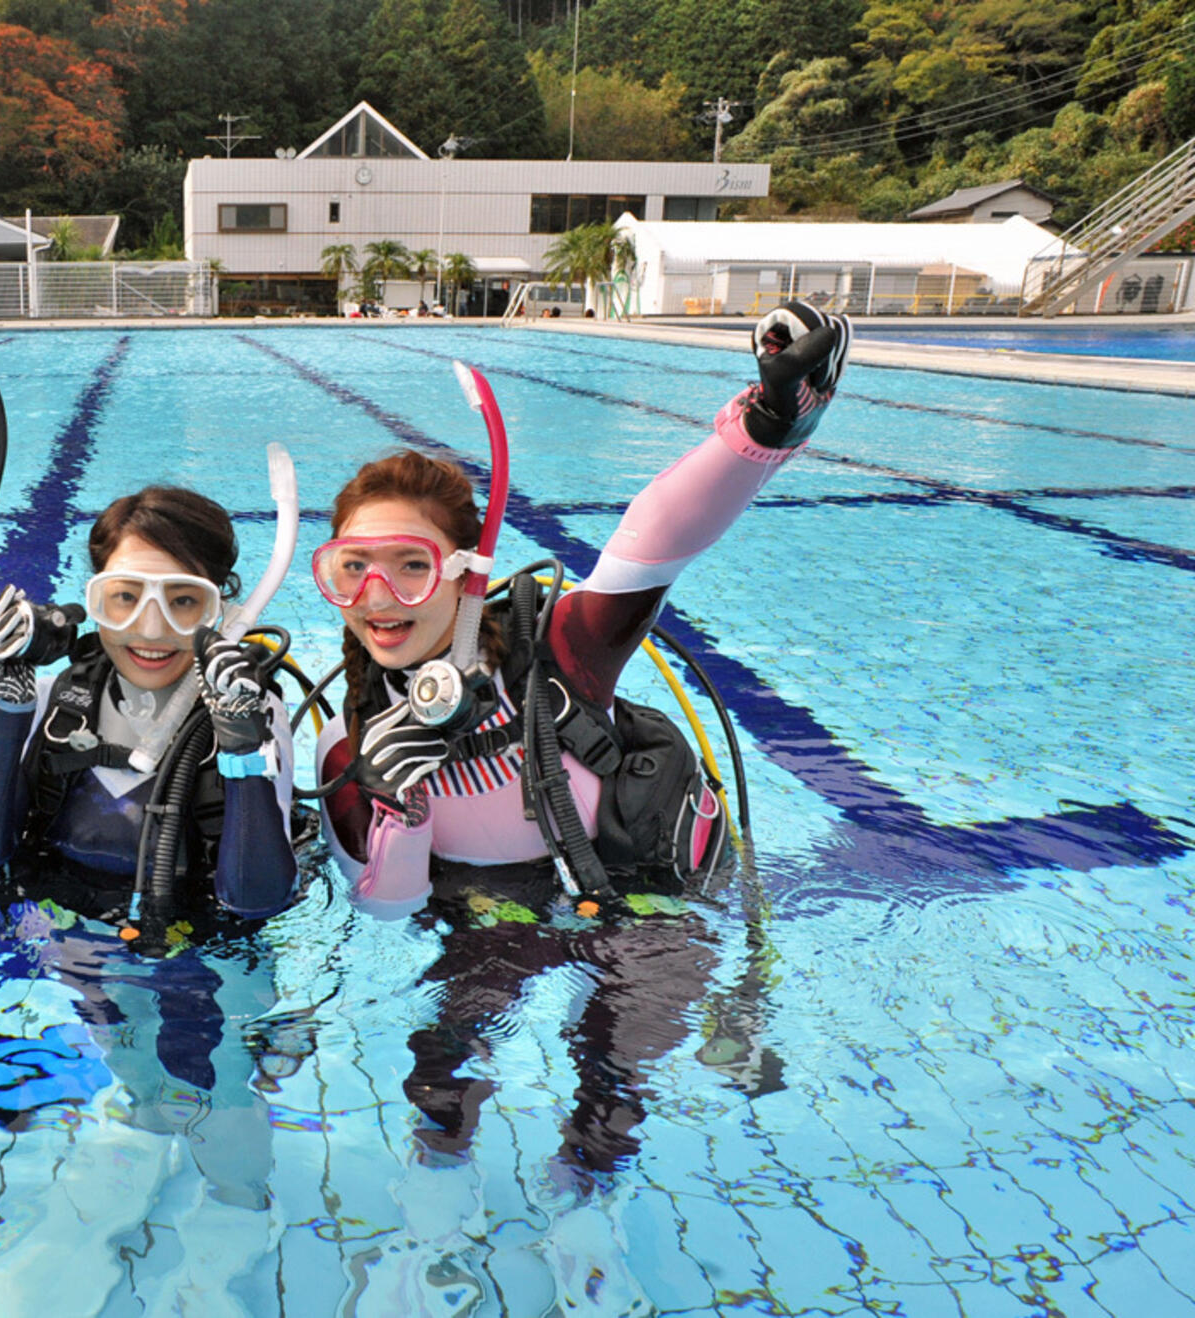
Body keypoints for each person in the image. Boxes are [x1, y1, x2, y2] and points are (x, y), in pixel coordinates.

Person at [312, 302, 850, 1168]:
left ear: (468, 574)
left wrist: (763, 428)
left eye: (412, 565)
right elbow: (387, 912)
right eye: (352, 568)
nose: (379, 594)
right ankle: (435, 1217)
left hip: (643, 909)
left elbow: (651, 542)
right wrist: (399, 814)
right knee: (440, 1079)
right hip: (486, 922)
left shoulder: (562, 649)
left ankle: (587, 1217)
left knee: (614, 1085)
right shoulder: (350, 749)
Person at [0, 485, 299, 936]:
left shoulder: (253, 714)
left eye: (183, 601)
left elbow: (255, 904)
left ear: (220, 612)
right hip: (52, 942)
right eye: (126, 597)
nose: (151, 630)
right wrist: (9, 714)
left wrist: (243, 745)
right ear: (97, 601)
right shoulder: (45, 702)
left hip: (196, 953)